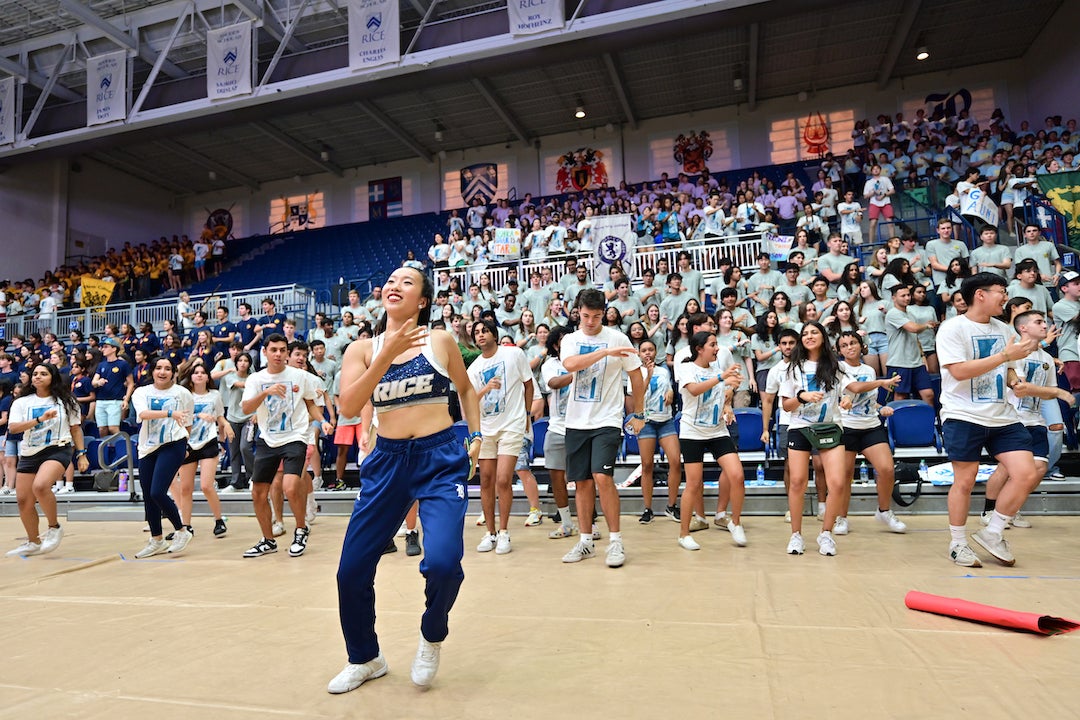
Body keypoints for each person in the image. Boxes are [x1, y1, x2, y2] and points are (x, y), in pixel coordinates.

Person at [329, 264, 480, 693]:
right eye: (391, 281)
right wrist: (386, 352)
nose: (395, 286)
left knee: (445, 563)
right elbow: (348, 405)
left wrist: (477, 434)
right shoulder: (361, 349)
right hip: (387, 461)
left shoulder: (440, 340)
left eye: (407, 282)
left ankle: (432, 636)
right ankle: (365, 657)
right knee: (351, 571)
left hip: (439, 457)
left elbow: (466, 390)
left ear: (424, 300)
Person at [936, 273, 1042, 568]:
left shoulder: (1001, 327)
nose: (1005, 297)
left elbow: (1006, 366)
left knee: (1027, 472)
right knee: (965, 481)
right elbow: (958, 371)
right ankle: (957, 543)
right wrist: (1003, 357)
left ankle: (993, 532)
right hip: (963, 415)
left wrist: (1013, 379)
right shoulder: (951, 328)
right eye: (1001, 291)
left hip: (1002, 416)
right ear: (980, 294)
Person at [559, 289, 645, 568]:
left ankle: (616, 541)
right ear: (578, 312)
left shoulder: (618, 337)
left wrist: (640, 412)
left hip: (607, 419)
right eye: (586, 316)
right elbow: (571, 365)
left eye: (596, 316)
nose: (591, 321)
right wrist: (604, 352)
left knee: (601, 476)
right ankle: (585, 542)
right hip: (575, 421)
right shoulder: (571, 339)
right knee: (581, 482)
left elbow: (635, 374)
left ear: (604, 313)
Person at [981, 310, 1076, 530]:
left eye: (1045, 321)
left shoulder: (1045, 358)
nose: (1046, 326)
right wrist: (1059, 393)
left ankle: (1009, 510)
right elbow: (1020, 388)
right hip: (1013, 419)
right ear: (1023, 328)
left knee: (1039, 469)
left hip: (1035, 419)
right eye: (1039, 322)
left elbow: (1049, 390)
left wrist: (1054, 392)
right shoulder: (1016, 354)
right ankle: (989, 510)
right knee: (1007, 469)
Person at [779, 322, 863, 557]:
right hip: (800, 427)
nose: (809, 336)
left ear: (823, 337)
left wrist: (847, 398)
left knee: (836, 483)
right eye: (805, 333)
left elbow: (850, 389)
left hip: (830, 428)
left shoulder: (836, 366)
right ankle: (796, 535)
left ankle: (826, 534)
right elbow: (786, 405)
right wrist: (801, 397)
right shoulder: (791, 368)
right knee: (797, 482)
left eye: (814, 332)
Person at [239, 333, 321, 559]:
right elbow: (246, 408)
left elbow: (311, 403)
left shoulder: (299, 376)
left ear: (287, 353)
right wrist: (266, 392)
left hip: (295, 436)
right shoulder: (256, 379)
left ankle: (301, 529)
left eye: (282, 350)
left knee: (291, 486)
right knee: (258, 492)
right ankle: (268, 540)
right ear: (264, 352)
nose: (278, 354)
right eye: (273, 349)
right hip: (268, 439)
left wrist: (324, 422)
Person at [5, 363, 90, 557]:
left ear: (52, 377)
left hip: (58, 448)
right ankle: (33, 541)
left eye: (43, 373)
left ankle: (54, 527)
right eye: (35, 374)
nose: (38, 377)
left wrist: (82, 454)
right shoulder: (21, 402)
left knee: (41, 486)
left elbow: (76, 429)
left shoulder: (66, 401)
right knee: (23, 500)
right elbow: (14, 428)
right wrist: (39, 419)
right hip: (29, 451)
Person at [467, 318, 534, 555]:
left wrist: (526, 413)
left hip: (512, 424)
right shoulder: (473, 368)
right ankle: (490, 533)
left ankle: (504, 532)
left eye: (485, 330)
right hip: (486, 428)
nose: (481, 335)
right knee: (485, 480)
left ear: (494, 334)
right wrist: (486, 389)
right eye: (476, 332)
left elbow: (528, 385)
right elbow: (468, 402)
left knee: (503, 479)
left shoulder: (514, 354)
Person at [674, 331, 744, 550]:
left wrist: (727, 405)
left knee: (738, 475)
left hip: (717, 431)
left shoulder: (716, 370)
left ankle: (735, 522)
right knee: (693, 484)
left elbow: (720, 395)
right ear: (699, 349)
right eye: (713, 345)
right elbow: (694, 391)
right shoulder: (686, 369)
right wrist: (722, 377)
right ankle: (684, 534)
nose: (717, 348)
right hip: (692, 432)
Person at [834, 332, 908, 534]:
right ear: (839, 350)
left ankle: (884, 511)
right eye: (845, 345)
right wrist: (882, 383)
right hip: (846, 426)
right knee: (845, 475)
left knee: (887, 469)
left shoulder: (869, 369)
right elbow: (855, 388)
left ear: (861, 345)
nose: (850, 347)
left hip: (870, 425)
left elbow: (866, 398)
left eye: (853, 343)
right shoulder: (839, 368)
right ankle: (841, 518)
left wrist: (879, 407)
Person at [130, 358, 195, 558]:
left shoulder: (183, 393)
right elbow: (142, 413)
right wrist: (169, 413)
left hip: (173, 443)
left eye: (167, 368)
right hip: (148, 447)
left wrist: (186, 445)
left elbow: (188, 422)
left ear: (173, 373)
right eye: (158, 368)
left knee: (158, 491)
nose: (162, 372)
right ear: (152, 371)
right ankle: (156, 539)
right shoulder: (141, 392)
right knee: (148, 496)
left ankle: (182, 531)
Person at [176, 362, 232, 538]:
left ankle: (218, 520)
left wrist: (226, 425)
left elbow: (220, 416)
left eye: (203, 372)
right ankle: (186, 526)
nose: (199, 375)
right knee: (186, 488)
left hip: (208, 441)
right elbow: (178, 417)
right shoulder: (184, 395)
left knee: (207, 485)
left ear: (208, 377)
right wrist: (197, 415)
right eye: (196, 372)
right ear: (191, 377)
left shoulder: (215, 395)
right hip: (188, 443)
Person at [631, 339, 681, 524]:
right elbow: (637, 396)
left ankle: (671, 505)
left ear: (655, 351)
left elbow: (668, 390)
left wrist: (671, 394)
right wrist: (648, 376)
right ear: (639, 353)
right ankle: (647, 508)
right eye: (644, 350)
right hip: (646, 422)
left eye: (651, 349)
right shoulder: (635, 373)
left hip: (666, 420)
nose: (647, 353)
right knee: (647, 465)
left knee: (675, 461)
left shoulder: (664, 371)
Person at [541, 326, 578, 539]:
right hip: (556, 426)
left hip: (580, 425)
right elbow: (553, 383)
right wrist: (575, 373)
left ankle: (588, 524)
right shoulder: (550, 365)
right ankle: (565, 523)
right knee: (556, 476)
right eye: (562, 341)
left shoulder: (583, 359)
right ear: (555, 345)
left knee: (585, 477)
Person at [885, 285, 936, 404]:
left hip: (916, 362)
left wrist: (923, 356)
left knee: (928, 394)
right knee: (901, 395)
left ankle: (930, 420)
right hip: (899, 362)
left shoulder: (910, 313)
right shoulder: (893, 313)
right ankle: (897, 421)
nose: (907, 298)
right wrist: (926, 325)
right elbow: (913, 328)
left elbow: (915, 338)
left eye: (908, 295)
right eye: (903, 296)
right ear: (893, 298)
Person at [221, 352, 255, 493]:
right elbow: (240, 384)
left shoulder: (254, 378)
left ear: (249, 363)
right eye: (240, 360)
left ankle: (252, 477)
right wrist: (254, 384)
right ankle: (236, 483)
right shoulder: (230, 377)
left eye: (246, 360)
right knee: (233, 451)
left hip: (249, 418)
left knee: (244, 448)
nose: (242, 363)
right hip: (232, 418)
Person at [91, 337, 133, 437]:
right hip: (101, 400)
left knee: (113, 428)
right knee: (102, 429)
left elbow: (130, 383)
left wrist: (126, 399)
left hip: (115, 400)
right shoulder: (101, 365)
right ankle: (106, 449)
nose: (103, 349)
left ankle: (123, 446)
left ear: (114, 349)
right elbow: (94, 382)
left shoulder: (123, 364)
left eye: (106, 347)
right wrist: (98, 382)